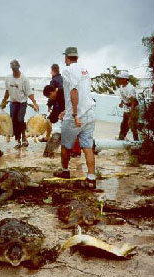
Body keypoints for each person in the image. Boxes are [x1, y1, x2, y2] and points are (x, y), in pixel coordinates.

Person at [54, 47, 97, 190]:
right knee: (87, 146)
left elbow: (74, 91)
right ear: (76, 57)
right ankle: (91, 178)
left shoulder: (67, 70)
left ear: (67, 57)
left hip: (76, 116)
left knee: (66, 145)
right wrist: (68, 109)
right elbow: (84, 93)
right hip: (90, 113)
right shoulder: (85, 69)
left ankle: (65, 171)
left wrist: (74, 114)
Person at [0, 60, 39, 148]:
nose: (15, 70)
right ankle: (18, 140)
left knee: (20, 119)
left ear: (18, 67)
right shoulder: (8, 78)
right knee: (14, 121)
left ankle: (24, 137)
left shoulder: (24, 79)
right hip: (13, 102)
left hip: (22, 102)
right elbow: (7, 91)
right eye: (13, 69)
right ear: (11, 68)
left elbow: (29, 92)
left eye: (16, 68)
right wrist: (4, 101)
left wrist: (34, 103)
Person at [116, 71, 139, 141]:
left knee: (132, 126)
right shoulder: (121, 87)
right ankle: (121, 138)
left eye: (120, 78)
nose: (118, 80)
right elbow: (125, 97)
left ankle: (137, 142)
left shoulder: (130, 88)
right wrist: (122, 103)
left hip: (133, 108)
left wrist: (131, 116)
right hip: (127, 108)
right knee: (123, 125)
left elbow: (133, 103)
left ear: (125, 79)